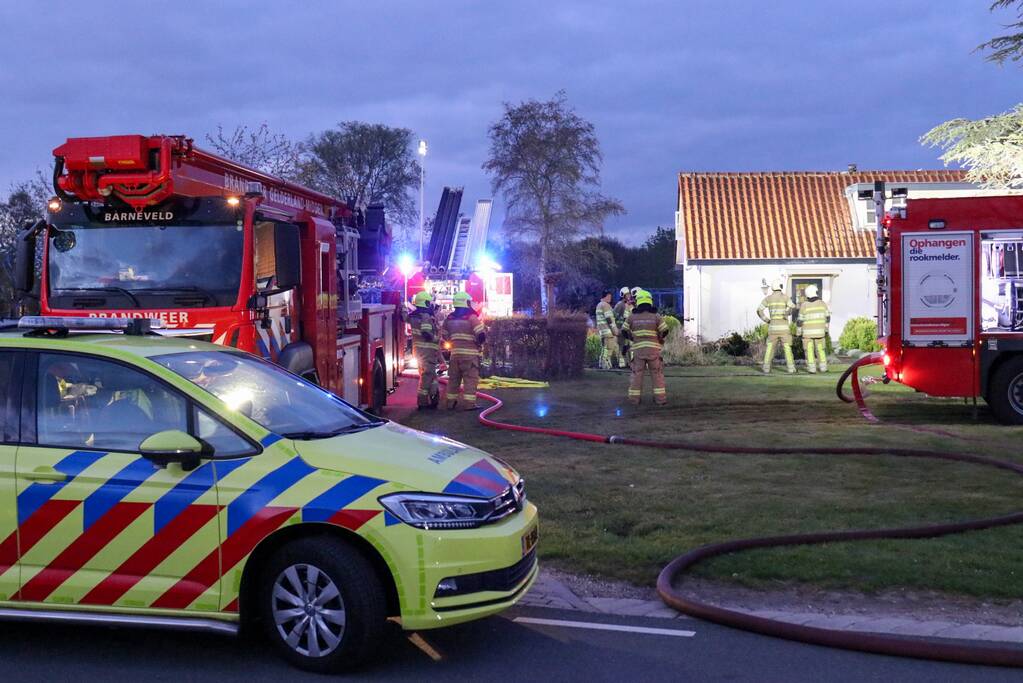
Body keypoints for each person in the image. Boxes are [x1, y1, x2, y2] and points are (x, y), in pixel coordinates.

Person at [621, 289, 669, 405]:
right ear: (650, 301)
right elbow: (665, 330)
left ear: (638, 301)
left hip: (638, 351)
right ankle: (660, 400)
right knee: (657, 374)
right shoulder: (656, 316)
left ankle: (634, 400)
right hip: (653, 351)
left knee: (637, 374)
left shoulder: (632, 317)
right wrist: (659, 338)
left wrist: (632, 338)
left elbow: (624, 330)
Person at [441, 291, 486, 410]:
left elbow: (444, 335)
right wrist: (478, 344)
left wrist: (454, 342)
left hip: (455, 355)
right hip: (470, 356)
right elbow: (481, 335)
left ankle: (450, 403)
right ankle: (469, 405)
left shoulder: (449, 318)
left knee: (453, 380)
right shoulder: (472, 318)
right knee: (470, 380)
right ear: (466, 303)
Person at [407, 290, 440, 407]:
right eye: (429, 303)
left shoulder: (413, 316)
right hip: (427, 352)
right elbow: (426, 332)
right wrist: (436, 338)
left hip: (418, 351)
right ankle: (422, 402)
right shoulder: (425, 316)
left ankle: (434, 397)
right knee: (427, 376)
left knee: (430, 375)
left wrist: (402, 308)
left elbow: (404, 317)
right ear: (426, 303)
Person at [757, 279, 795, 374]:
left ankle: (766, 368)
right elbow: (792, 307)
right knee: (787, 348)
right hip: (784, 329)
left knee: (769, 348)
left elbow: (759, 310)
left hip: (773, 328)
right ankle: (791, 369)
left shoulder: (768, 298)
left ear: (773, 288)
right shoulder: (785, 297)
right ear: (780, 287)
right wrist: (787, 313)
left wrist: (767, 320)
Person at [797, 284, 831, 373]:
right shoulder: (822, 304)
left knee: (809, 350)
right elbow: (828, 318)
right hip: (820, 333)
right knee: (821, 350)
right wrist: (826, 330)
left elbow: (800, 321)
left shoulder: (804, 305)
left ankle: (812, 369)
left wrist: (798, 332)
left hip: (807, 334)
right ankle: (823, 368)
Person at [594, 290, 621, 369]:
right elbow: (609, 319)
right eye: (609, 296)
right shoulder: (605, 305)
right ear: (605, 296)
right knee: (609, 348)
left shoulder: (599, 305)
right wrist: (614, 330)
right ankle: (605, 365)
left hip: (602, 331)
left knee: (605, 348)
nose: (610, 298)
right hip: (608, 331)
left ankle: (601, 364)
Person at [613, 286, 634, 368]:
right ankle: (621, 364)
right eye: (627, 294)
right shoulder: (620, 305)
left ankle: (630, 363)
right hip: (621, 329)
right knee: (622, 346)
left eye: (629, 294)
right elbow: (614, 316)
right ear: (623, 295)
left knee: (629, 347)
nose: (629, 296)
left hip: (629, 330)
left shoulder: (631, 305)